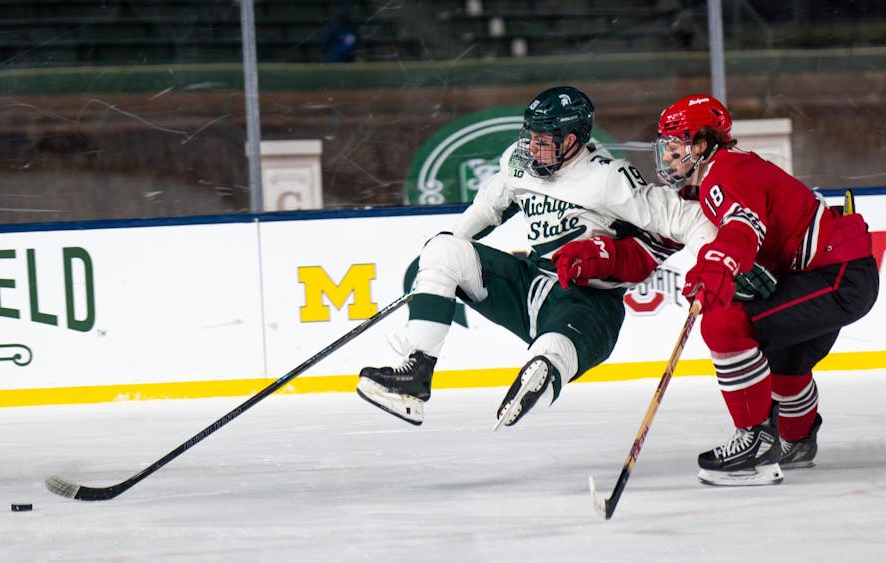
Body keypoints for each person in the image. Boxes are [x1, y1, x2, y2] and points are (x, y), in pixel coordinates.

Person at [356, 86, 717, 427]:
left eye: (543, 141)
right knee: (442, 247)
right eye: (529, 136)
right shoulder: (519, 163)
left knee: (550, 352)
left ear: (572, 141)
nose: (531, 147)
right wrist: (437, 271)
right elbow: (485, 211)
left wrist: (714, 263)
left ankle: (545, 372)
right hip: (530, 285)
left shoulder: (608, 178)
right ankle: (416, 377)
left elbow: (686, 218)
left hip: (586, 298)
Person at [654, 94, 879, 486]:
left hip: (839, 275)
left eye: (677, 146)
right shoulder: (716, 177)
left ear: (703, 144)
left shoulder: (725, 172)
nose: (669, 157)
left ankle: (756, 445)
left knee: (724, 324)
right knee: (783, 363)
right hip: (832, 272)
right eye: (668, 148)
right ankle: (798, 439)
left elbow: (743, 225)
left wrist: (716, 265)